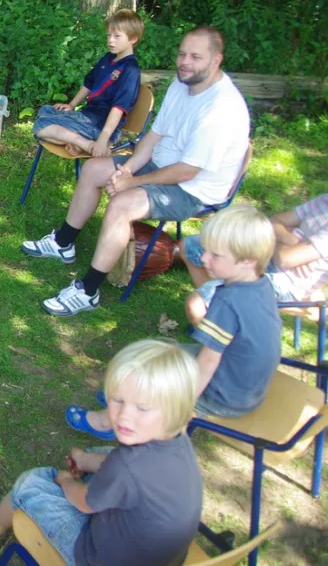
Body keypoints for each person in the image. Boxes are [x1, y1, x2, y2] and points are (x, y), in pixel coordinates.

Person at [23, 26, 250, 316]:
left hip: (193, 189)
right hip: (162, 166)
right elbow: (153, 136)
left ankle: (88, 291)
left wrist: (133, 182)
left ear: (216, 60)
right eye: (182, 54)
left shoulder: (221, 108)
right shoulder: (182, 84)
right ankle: (63, 243)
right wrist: (127, 170)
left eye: (195, 57)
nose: (185, 62)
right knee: (93, 169)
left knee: (122, 204)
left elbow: (186, 172)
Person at [0, 339, 202, 566]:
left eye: (142, 408)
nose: (124, 416)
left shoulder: (128, 467)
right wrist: (85, 460)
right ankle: (84, 462)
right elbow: (123, 468)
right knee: (104, 455)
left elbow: (83, 502)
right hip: (159, 557)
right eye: (117, 400)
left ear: (173, 409)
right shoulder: (177, 442)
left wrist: (66, 481)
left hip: (94, 556)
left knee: (31, 483)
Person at [67, 205, 281, 440]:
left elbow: (208, 363)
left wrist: (182, 404)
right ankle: (122, 397)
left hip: (221, 395)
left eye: (215, 255)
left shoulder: (228, 302)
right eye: (206, 250)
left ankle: (108, 421)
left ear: (248, 261)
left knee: (150, 378)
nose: (204, 258)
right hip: (247, 389)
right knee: (154, 354)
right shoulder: (261, 284)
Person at [179, 194, 328, 321]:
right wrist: (292, 241)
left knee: (196, 305)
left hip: (285, 282)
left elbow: (285, 259)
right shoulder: (323, 201)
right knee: (190, 246)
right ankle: (219, 315)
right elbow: (273, 222)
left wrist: (275, 238)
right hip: (264, 257)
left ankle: (222, 336)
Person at [32, 10, 144, 157]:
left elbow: (118, 108)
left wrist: (103, 138)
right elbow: (89, 83)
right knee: (46, 110)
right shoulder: (108, 58)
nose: (111, 40)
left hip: (101, 126)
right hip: (87, 117)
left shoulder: (130, 69)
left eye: (117, 36)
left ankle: (86, 144)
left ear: (133, 38)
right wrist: (72, 105)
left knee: (41, 124)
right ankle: (78, 143)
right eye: (108, 35)